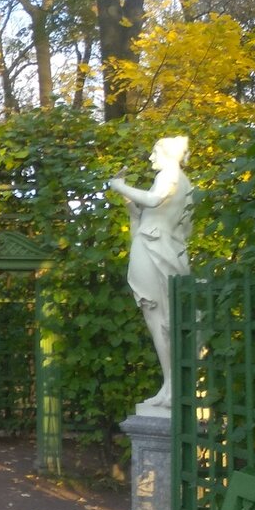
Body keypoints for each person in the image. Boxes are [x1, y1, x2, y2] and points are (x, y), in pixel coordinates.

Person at [107, 136, 194, 409]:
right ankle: (170, 385)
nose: (150, 158)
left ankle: (173, 387)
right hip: (158, 246)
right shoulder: (181, 181)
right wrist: (126, 197)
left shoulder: (171, 175)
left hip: (156, 249)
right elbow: (142, 220)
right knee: (161, 321)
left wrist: (122, 185)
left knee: (161, 322)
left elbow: (154, 201)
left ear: (167, 153)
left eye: (154, 151)